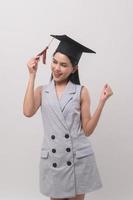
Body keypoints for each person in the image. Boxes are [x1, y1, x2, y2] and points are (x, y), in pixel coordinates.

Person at [23, 34, 113, 200]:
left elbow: (87, 131)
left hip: (77, 159)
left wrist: (102, 102)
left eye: (63, 65)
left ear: (74, 68)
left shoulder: (81, 91)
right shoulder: (42, 91)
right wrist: (31, 75)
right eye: (55, 62)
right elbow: (28, 112)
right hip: (54, 158)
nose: (57, 68)